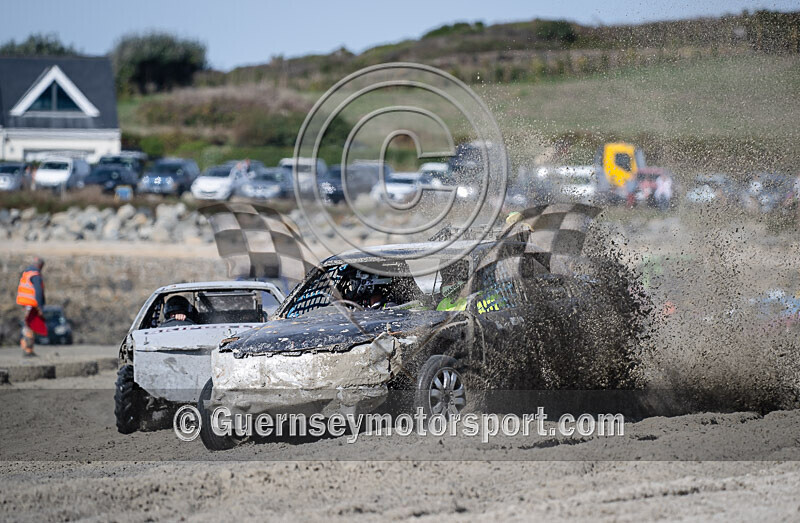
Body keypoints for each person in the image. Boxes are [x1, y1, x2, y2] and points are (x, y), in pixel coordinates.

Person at [16, 257, 46, 357]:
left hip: (25, 304)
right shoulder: (35, 275)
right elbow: (38, 292)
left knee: (27, 326)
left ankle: (27, 348)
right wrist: (40, 307)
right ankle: (28, 350)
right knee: (29, 327)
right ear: (40, 265)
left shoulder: (26, 273)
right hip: (31, 305)